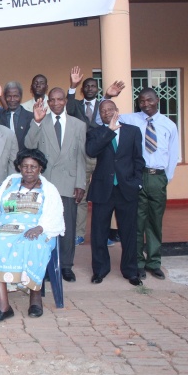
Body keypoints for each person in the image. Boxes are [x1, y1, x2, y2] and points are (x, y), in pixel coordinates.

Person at [0, 149, 65, 322]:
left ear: (40, 169)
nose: (29, 170)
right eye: (25, 166)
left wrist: (40, 227)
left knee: (32, 243)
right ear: (19, 168)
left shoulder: (48, 189)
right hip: (7, 228)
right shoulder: (9, 183)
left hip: (37, 229)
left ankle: (35, 298)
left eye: (33, 167)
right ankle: (3, 306)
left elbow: (55, 214)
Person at [109, 87, 180, 280]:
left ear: (157, 100)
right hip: (137, 175)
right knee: (137, 222)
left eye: (149, 100)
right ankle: (138, 262)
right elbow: (104, 119)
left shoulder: (168, 125)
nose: (145, 104)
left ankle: (154, 262)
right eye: (141, 101)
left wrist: (166, 178)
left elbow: (173, 154)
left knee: (155, 222)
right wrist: (108, 97)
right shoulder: (131, 119)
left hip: (158, 176)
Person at [24, 89, 86, 283]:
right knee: (46, 226)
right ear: (48, 102)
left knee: (67, 226)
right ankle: (48, 265)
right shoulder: (41, 121)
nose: (56, 103)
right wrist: (36, 121)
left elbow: (81, 157)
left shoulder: (78, 125)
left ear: (65, 101)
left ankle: (66, 266)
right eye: (53, 100)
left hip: (69, 181)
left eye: (60, 99)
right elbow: (28, 145)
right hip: (47, 183)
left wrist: (80, 183)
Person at [86, 100, 145, 286]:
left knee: (129, 232)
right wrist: (108, 131)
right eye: (103, 111)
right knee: (99, 232)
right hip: (103, 189)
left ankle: (130, 270)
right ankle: (100, 270)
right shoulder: (95, 132)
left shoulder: (132, 131)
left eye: (110, 109)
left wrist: (137, 183)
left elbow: (138, 159)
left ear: (117, 111)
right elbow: (91, 151)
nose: (106, 113)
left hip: (127, 189)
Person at [67, 67, 127, 246]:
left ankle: (105, 234)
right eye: (87, 86)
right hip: (82, 155)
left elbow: (106, 117)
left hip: (103, 156)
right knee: (81, 196)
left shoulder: (103, 107)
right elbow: (68, 109)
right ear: (82, 89)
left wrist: (107, 97)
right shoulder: (76, 105)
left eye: (94, 86)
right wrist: (72, 86)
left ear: (97, 89)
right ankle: (79, 233)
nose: (90, 88)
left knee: (105, 195)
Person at [0, 81, 33, 152]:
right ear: (5, 97)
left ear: (21, 97)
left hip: (23, 159)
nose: (12, 100)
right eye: (9, 96)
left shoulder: (31, 117)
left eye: (16, 96)